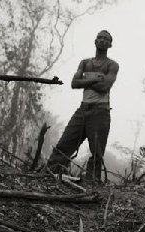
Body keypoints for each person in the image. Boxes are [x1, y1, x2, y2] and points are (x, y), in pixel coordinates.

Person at [47, 30, 119, 182]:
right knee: (65, 144)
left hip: (100, 111)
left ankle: (91, 184)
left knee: (96, 153)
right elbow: (74, 83)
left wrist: (86, 80)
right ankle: (50, 175)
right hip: (83, 109)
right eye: (99, 37)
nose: (102, 40)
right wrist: (95, 80)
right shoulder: (85, 62)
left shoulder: (112, 65)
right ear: (95, 41)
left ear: (110, 44)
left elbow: (105, 86)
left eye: (106, 39)